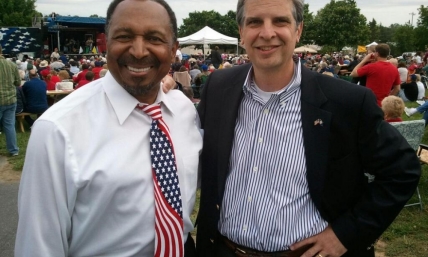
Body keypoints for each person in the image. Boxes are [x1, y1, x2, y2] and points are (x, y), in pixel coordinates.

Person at [195, 1, 420, 257]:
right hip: (223, 249)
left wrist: (345, 234)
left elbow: (402, 170)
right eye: (255, 22)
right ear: (241, 31)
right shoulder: (218, 87)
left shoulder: (346, 102)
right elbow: (188, 151)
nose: (267, 33)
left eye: (280, 21)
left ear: (298, 30)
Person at [15, 1, 202, 257]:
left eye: (154, 38)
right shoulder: (57, 130)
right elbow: (39, 246)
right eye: (124, 36)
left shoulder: (184, 111)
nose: (138, 51)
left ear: (173, 51)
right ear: (107, 44)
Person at [0, 45, 20, 156]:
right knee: (9, 125)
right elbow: (18, 82)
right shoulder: (12, 65)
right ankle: (13, 150)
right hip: (10, 99)